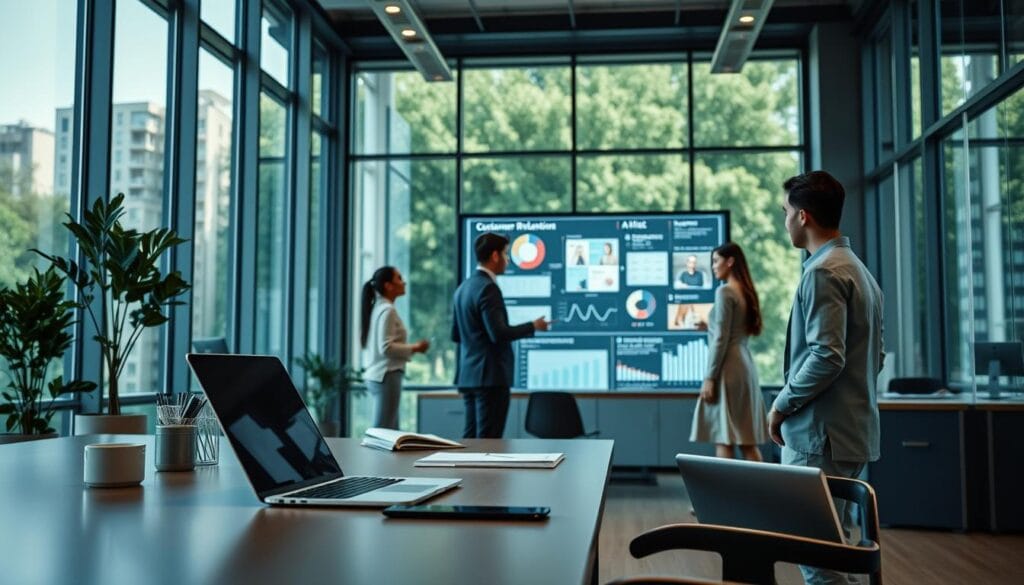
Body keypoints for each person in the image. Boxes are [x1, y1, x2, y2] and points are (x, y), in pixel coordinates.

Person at [768, 171, 884, 585]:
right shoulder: (859, 271)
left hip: (819, 437)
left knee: (817, 559)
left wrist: (781, 405)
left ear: (803, 216)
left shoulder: (822, 272)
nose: (783, 221)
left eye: (785, 213)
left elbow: (826, 357)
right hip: (850, 434)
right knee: (840, 549)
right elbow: (876, 356)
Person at [452, 233, 551, 438]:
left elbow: (456, 335)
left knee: (470, 439)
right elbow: (498, 333)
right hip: (490, 378)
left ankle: (467, 473)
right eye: (506, 254)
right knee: (489, 441)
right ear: (495, 256)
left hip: (468, 377)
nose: (508, 260)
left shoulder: (462, 288)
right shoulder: (488, 288)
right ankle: (484, 473)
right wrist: (533, 326)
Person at [690, 242, 768, 461]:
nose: (713, 266)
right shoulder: (745, 290)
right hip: (744, 365)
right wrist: (709, 325)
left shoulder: (724, 291)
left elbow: (721, 338)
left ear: (730, 261)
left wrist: (709, 378)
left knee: (723, 437)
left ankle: (724, 495)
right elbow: (732, 330)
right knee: (746, 441)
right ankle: (761, 493)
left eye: (716, 261)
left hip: (727, 368)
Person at [360, 266, 429, 429]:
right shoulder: (388, 310)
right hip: (387, 374)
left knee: (390, 429)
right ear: (388, 285)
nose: (404, 282)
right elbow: (387, 347)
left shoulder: (379, 308)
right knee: (383, 430)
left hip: (381, 375)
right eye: (399, 278)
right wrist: (416, 348)